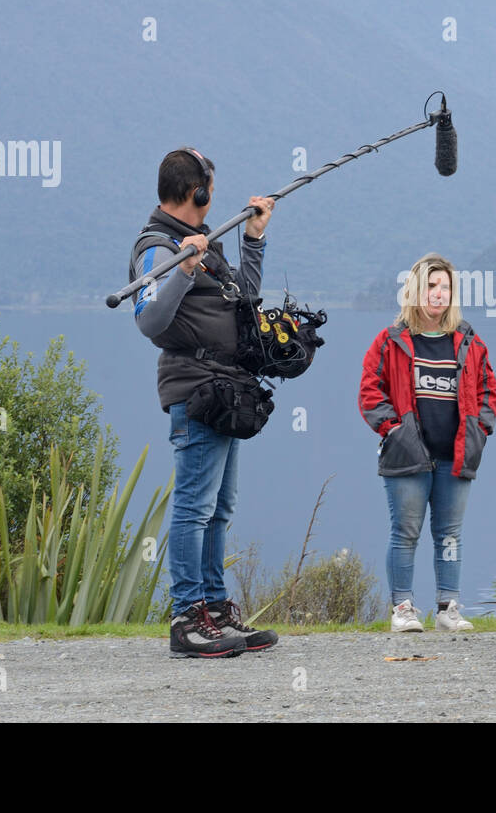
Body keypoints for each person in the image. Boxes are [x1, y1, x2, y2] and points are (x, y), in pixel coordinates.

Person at [129, 147, 280, 658]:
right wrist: (184, 270)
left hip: (228, 389)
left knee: (219, 507)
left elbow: (246, 304)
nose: (213, 196)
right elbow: (148, 321)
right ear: (199, 192)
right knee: (194, 507)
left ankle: (214, 610)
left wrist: (253, 241)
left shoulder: (205, 244)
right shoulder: (157, 248)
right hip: (195, 390)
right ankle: (185, 617)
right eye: (210, 188)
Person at [358, 253, 496, 632]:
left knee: (450, 535)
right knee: (405, 532)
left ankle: (448, 608)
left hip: (454, 458)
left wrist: (479, 432)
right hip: (406, 457)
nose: (439, 294)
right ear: (415, 290)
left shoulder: (468, 341)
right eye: (431, 286)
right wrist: (392, 430)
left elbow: (489, 390)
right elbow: (370, 391)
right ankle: (403, 608)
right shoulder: (391, 341)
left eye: (446, 288)